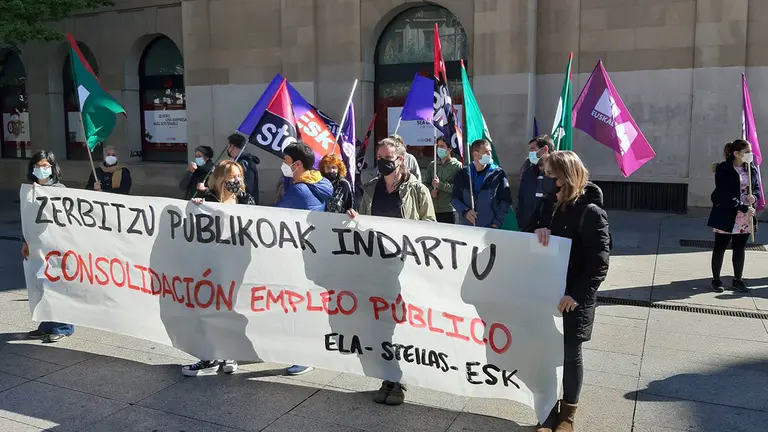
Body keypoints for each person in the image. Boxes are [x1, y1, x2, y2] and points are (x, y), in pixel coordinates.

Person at [348, 137, 435, 406]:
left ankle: (398, 381)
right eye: (380, 157)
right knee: (380, 324)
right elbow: (363, 223)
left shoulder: (417, 190)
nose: (383, 163)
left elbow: (430, 225)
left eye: (388, 157)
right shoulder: (371, 189)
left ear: (400, 159)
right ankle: (387, 376)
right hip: (377, 265)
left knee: (399, 326)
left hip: (404, 268)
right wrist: (355, 221)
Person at [533, 151, 611, 432]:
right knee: (544, 353)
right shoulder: (547, 205)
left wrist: (576, 296)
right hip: (546, 292)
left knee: (569, 355)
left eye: (551, 175)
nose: (545, 179)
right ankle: (547, 409)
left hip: (571, 300)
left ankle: (568, 413)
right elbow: (526, 231)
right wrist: (537, 230)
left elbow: (599, 262)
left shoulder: (590, 213)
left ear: (566, 177)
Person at [181, 160, 255, 377]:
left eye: (239, 176)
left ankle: (229, 353)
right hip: (210, 263)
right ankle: (209, 355)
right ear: (220, 178)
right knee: (208, 307)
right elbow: (188, 224)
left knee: (231, 307)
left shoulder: (246, 200)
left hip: (236, 263)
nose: (237, 181)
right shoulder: (207, 199)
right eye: (232, 176)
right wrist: (193, 205)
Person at [277, 142, 333, 376]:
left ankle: (304, 356)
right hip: (313, 250)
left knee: (299, 304)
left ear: (297, 164)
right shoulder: (321, 182)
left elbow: (272, 214)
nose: (284, 165)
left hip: (299, 252)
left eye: (286, 161)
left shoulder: (299, 190)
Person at [21, 150, 75, 343]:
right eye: (37, 166)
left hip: (57, 246)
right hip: (37, 245)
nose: (41, 169)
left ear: (53, 168)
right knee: (41, 285)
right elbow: (27, 219)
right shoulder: (30, 190)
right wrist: (25, 241)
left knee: (58, 285)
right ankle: (46, 326)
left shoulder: (59, 189)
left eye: (45, 166)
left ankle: (63, 326)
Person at [707, 139, 760, 293]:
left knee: (739, 248)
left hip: (745, 215)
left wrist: (754, 198)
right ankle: (716, 279)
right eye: (747, 152)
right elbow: (723, 193)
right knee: (720, 247)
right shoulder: (724, 169)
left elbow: (756, 188)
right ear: (736, 153)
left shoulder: (751, 169)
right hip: (727, 213)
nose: (750, 155)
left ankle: (738, 279)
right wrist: (741, 206)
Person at [451, 139, 512, 228]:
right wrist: (465, 211)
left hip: (490, 227)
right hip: (467, 227)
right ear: (476, 154)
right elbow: (454, 199)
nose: (489, 154)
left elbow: (506, 200)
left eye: (490, 151)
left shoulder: (498, 174)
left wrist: (496, 222)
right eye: (486, 152)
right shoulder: (462, 174)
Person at [518, 135, 554, 231]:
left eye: (533, 149)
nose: (530, 153)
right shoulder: (527, 173)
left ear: (545, 149)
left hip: (550, 231)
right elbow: (522, 200)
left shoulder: (557, 174)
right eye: (529, 150)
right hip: (528, 229)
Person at [425, 136, 462, 223]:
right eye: (438, 146)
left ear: (449, 149)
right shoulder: (432, 165)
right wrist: (430, 191)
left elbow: (458, 189)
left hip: (449, 210)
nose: (439, 149)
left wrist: (440, 185)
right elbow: (425, 183)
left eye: (442, 146)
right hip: (433, 209)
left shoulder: (457, 166)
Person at [225, 133, 260, 204]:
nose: (227, 148)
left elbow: (247, 186)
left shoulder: (244, 162)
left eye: (228, 145)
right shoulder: (241, 161)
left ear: (232, 146)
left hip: (245, 203)